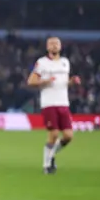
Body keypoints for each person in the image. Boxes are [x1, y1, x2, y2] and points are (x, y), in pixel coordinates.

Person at [27, 36, 81, 174]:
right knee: (54, 133)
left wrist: (72, 81)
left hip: (63, 102)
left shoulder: (65, 62)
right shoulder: (42, 62)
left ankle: (51, 156)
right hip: (49, 103)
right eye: (51, 43)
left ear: (60, 46)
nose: (54, 46)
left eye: (57, 43)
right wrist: (45, 81)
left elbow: (63, 82)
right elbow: (31, 81)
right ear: (47, 47)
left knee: (69, 136)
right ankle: (47, 165)